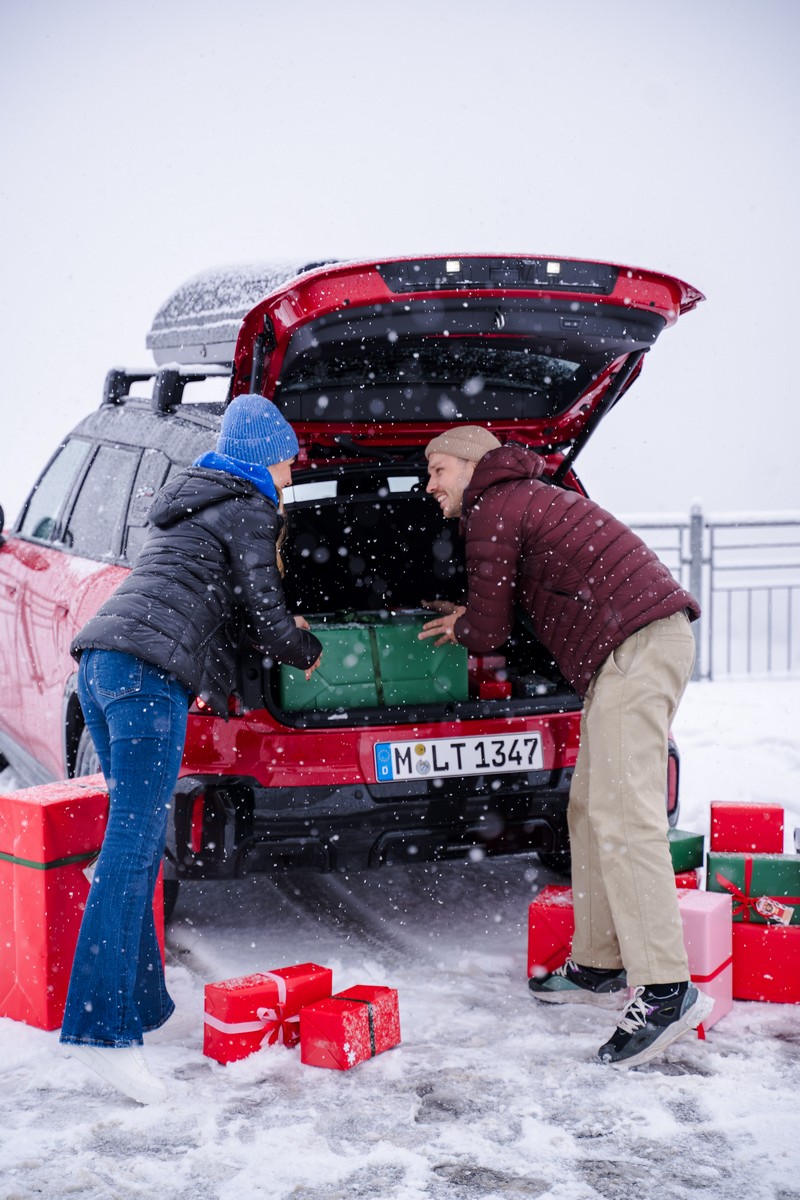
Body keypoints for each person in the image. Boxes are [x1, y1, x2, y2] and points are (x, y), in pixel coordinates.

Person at [419, 425, 713, 1069]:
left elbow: (490, 627)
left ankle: (666, 989)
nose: (431, 483)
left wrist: (464, 624)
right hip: (635, 648)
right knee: (587, 807)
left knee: (625, 816)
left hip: (636, 651)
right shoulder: (523, 494)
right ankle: (599, 964)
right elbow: (508, 605)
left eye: (438, 468)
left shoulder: (492, 508)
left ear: (471, 464)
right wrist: (468, 613)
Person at [60, 394, 322, 1103]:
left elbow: (215, 609)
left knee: (136, 849)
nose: (296, 462)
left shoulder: (193, 504)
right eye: (289, 451)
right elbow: (265, 618)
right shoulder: (248, 507)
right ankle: (98, 1033)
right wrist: (308, 648)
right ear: (267, 451)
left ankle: (141, 1009)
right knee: (132, 851)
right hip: (146, 681)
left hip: (102, 664)